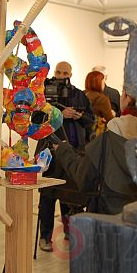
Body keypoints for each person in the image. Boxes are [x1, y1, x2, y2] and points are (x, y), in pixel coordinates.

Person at [51, 90, 137, 215]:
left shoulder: (107, 140)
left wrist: (63, 150)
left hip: (111, 218)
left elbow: (83, 177)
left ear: (128, 98)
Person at [36, 61, 94, 252]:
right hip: (50, 152)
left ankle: (70, 232)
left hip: (74, 152)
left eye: (65, 73)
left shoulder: (79, 95)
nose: (61, 76)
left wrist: (79, 117)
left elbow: (91, 121)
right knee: (48, 195)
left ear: (71, 74)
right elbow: (36, 118)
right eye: (58, 72)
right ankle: (45, 237)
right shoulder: (44, 93)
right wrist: (59, 113)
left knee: (70, 194)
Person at [84, 70, 114, 135]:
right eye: (103, 82)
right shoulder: (103, 99)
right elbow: (110, 121)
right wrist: (113, 114)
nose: (104, 84)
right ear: (98, 83)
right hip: (96, 134)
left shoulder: (81, 95)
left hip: (82, 133)